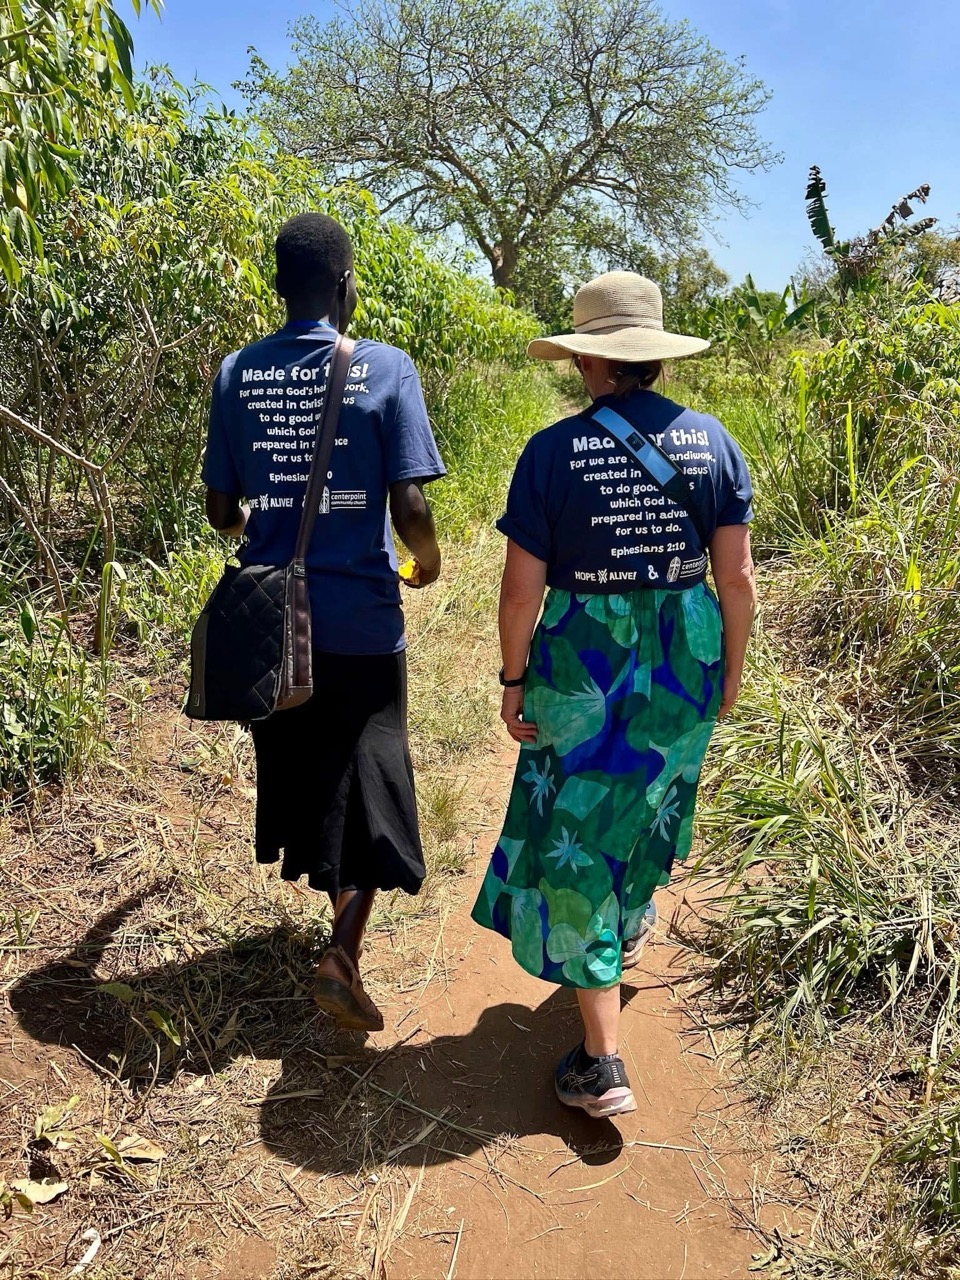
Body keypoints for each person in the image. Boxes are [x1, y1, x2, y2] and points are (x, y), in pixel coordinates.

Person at [471, 272, 756, 1118]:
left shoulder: (552, 452)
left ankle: (603, 1064)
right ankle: (623, 926)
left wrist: (514, 678)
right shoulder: (715, 443)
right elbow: (735, 577)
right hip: (688, 650)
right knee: (652, 798)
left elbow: (521, 594)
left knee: (579, 826)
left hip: (584, 661)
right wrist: (731, 669)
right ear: (654, 359)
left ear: (590, 359)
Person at [202, 213, 445, 1033]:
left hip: (274, 623)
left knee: (314, 771)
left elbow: (220, 511)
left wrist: (258, 525)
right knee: (369, 774)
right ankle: (342, 949)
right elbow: (409, 502)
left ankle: (337, 939)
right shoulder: (386, 368)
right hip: (363, 619)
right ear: (346, 287)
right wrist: (431, 560)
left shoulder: (237, 374)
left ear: (278, 288)